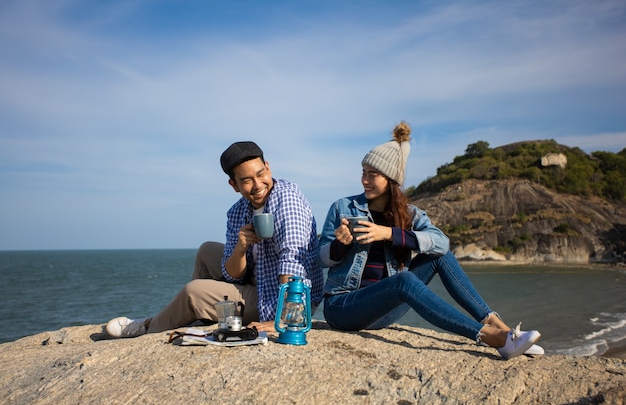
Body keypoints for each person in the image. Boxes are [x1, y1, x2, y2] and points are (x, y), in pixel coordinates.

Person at [318, 122, 542, 359]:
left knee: (440, 256)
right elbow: (320, 258)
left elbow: (441, 243)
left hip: (383, 312)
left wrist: (389, 233)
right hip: (344, 307)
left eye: (372, 175)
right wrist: (339, 245)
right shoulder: (343, 207)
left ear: (391, 179)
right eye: (363, 173)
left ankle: (502, 329)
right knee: (404, 280)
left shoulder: (410, 214)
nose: (364, 180)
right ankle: (491, 337)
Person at [106, 141, 324, 337]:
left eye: (260, 174)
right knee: (206, 251)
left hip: (282, 297)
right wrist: (240, 248)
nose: (258, 185)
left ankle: (149, 326)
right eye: (247, 180)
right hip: (259, 277)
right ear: (234, 185)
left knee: (194, 292)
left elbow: (293, 259)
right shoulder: (238, 211)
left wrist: (286, 319)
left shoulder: (288, 199)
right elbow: (233, 275)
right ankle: (200, 317)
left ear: (268, 167)